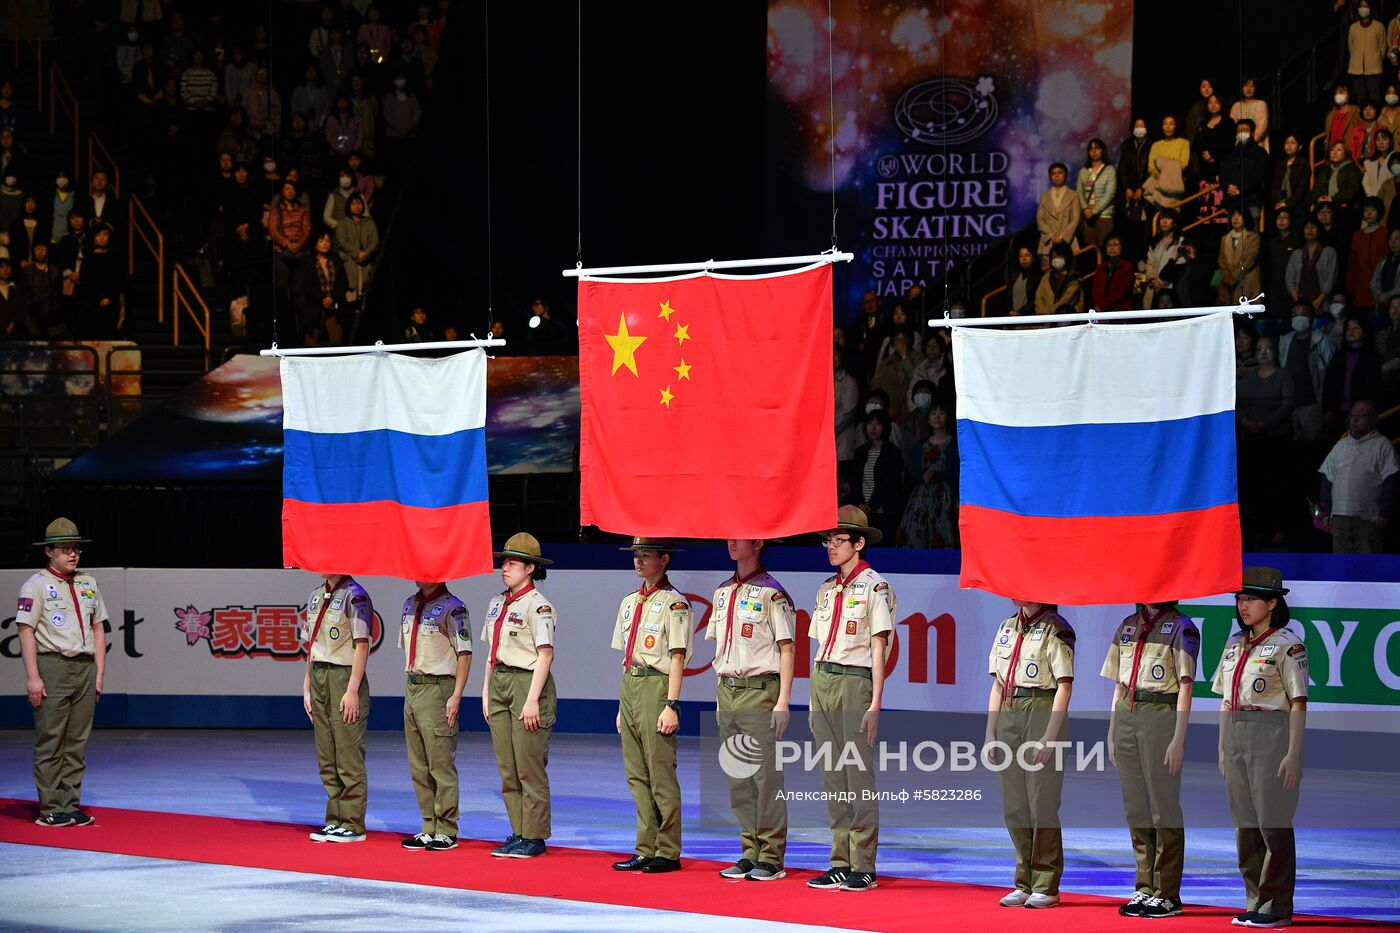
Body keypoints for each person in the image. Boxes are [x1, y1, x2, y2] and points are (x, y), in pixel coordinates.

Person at [1213, 568, 1308, 929]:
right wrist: (1222, 748)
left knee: (1273, 823)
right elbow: (1225, 701)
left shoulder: (1288, 644)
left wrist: (1293, 754)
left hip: (1271, 735)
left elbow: (1298, 703)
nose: (1243, 606)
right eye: (1239, 599)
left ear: (1272, 603)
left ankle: (1277, 905)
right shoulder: (1234, 643)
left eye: (1251, 599)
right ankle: (1255, 900)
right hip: (1237, 733)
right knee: (1245, 826)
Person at [806, 506, 894, 893]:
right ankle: (839, 860)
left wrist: (875, 704)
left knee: (857, 775)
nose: (831, 546)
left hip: (855, 681)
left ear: (859, 543)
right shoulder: (826, 588)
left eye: (839, 540)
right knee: (832, 775)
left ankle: (864, 864)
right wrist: (811, 700)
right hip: (823, 679)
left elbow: (879, 648)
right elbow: (817, 647)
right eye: (829, 540)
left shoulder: (876, 587)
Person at [1101, 601, 1199, 919]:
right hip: (1128, 711)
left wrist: (1178, 738)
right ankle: (1144, 886)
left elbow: (1186, 686)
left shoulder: (1182, 627)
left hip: (1160, 713)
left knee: (1162, 806)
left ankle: (1167, 892)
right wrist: (1112, 731)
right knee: (1136, 807)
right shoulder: (1128, 624)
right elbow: (1118, 684)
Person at [707, 538, 795, 882]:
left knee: (765, 777)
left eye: (739, 535)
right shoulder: (722, 592)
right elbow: (722, 651)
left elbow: (787, 649)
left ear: (758, 543)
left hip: (760, 691)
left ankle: (771, 855)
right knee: (738, 779)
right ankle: (749, 850)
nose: (731, 541)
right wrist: (718, 700)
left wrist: (783, 701)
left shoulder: (772, 594)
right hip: (727, 690)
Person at [16, 518, 108, 828]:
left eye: (76, 548)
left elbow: (98, 628)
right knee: (51, 739)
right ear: (49, 551)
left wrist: (98, 673)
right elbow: (26, 631)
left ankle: (70, 805)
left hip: (84, 666)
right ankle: (50, 807)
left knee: (77, 741)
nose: (73, 554)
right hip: (53, 665)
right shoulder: (36, 585)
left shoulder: (88, 583)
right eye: (65, 549)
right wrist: (33, 676)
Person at [985, 598, 1075, 910]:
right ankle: (1023, 881)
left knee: (1042, 805)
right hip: (1009, 711)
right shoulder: (1007, 625)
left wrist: (1050, 736)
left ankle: (1046, 884)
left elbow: (1064, 685)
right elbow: (998, 683)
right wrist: (989, 733)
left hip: (1040, 709)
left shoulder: (1057, 628)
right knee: (1014, 805)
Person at [610, 538, 692, 874]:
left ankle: (668, 850)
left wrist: (672, 703)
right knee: (636, 774)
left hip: (656, 686)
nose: (639, 561)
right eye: (636, 556)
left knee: (660, 774)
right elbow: (625, 657)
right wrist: (621, 704)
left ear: (664, 559)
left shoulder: (675, 603)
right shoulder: (629, 602)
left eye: (646, 555)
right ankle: (645, 846)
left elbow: (677, 657)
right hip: (631, 684)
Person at [482, 533, 558, 859]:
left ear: (529, 568)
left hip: (527, 684)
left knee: (529, 766)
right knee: (507, 766)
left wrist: (531, 699)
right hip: (500, 682)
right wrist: (485, 691)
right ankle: (517, 831)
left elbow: (545, 654)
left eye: (512, 562)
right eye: (503, 561)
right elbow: (491, 652)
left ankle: (535, 836)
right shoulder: (497, 602)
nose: (505, 567)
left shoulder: (538, 606)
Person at [398, 580, 471, 852]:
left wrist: (456, 695)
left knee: (440, 763)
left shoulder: (453, 608)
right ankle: (428, 825)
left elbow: (464, 654)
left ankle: (447, 828)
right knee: (418, 764)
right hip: (413, 687)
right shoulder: (409, 604)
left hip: (438, 688)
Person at [300, 573, 373, 843]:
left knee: (347, 752)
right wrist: (306, 684)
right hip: (319, 674)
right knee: (326, 753)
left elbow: (362, 644)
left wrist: (352, 689)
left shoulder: (355, 595)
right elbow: (311, 645)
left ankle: (353, 823)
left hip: (343, 675)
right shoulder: (316, 595)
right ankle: (334, 819)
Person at [1236, 337, 1297, 546]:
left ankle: (1280, 529)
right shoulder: (1250, 378)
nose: (1264, 352)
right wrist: (1245, 421)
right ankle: (1260, 528)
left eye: (1268, 348)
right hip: (1253, 440)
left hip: (1277, 439)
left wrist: (1264, 423)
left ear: (1276, 352)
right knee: (1256, 486)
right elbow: (1237, 404)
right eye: (1260, 349)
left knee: (1278, 485)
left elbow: (1287, 405)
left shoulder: (1284, 375)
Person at [1319, 399, 1398, 552]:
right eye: (1352, 415)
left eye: (1361, 415)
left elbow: (1391, 482)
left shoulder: (1383, 445)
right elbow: (1327, 479)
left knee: (1367, 568)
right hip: (1340, 518)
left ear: (1374, 419)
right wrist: (1325, 512)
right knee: (1342, 568)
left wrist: (1384, 514)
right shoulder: (1340, 446)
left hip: (1368, 519)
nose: (1354, 420)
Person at [896, 401, 958, 547]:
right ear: (928, 419)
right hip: (922, 494)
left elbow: (956, 473)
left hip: (945, 495)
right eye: (933, 413)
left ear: (948, 417)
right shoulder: (920, 444)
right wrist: (922, 476)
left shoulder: (954, 443)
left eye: (941, 413)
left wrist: (937, 475)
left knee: (943, 533)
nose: (937, 417)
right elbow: (913, 470)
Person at [845, 409, 906, 545]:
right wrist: (860, 504)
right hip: (861, 511)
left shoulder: (892, 452)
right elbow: (855, 481)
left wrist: (870, 505)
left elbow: (890, 484)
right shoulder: (860, 452)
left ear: (885, 427)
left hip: (884, 511)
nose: (873, 428)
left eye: (878, 424)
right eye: (870, 423)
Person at [1322, 316, 1384, 430]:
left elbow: (1372, 388)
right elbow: (1328, 383)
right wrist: (1327, 409)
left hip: (1361, 414)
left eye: (1356, 328)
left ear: (1365, 333)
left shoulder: (1373, 357)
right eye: (1348, 328)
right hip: (1335, 412)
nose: (1351, 331)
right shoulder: (1338, 355)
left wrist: (1356, 413)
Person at [1221, 118, 1270, 222]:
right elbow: (1223, 175)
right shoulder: (1231, 155)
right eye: (1239, 131)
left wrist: (1240, 189)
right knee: (1233, 237)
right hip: (1233, 204)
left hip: (1251, 202)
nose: (1241, 133)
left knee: (1251, 237)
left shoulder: (1260, 154)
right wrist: (1228, 188)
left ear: (1252, 133)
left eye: (1245, 130)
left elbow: (1260, 177)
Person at [334, 192, 378, 305]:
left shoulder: (370, 222)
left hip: (366, 263)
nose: (356, 206)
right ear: (348, 206)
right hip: (349, 263)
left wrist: (365, 254)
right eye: (353, 204)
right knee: (350, 300)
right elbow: (341, 241)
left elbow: (375, 242)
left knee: (365, 299)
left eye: (359, 203)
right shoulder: (343, 222)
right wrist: (357, 253)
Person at [1285, 219, 1338, 313]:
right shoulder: (1296, 253)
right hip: (1299, 303)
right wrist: (1297, 301)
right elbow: (1289, 277)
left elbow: (1331, 279)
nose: (1310, 230)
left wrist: (1318, 301)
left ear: (1319, 230)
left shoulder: (1329, 252)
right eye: (1307, 227)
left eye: (1313, 227)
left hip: (1322, 303)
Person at [1348, 198, 1390, 311]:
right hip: (1361, 289)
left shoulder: (1386, 233)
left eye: (1373, 210)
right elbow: (1352, 264)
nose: (1369, 213)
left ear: (1379, 212)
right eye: (1366, 210)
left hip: (1382, 288)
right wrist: (1349, 289)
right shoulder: (1356, 236)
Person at [1077, 139, 1116, 252]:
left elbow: (1110, 193)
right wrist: (1085, 209)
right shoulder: (1083, 171)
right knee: (1089, 251)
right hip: (1088, 217)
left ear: (1103, 151)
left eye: (1097, 148)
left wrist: (1094, 211)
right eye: (1091, 149)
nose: (1094, 151)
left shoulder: (1109, 170)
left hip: (1104, 216)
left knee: (1104, 249)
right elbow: (1079, 192)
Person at [1036, 162, 1079, 262]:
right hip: (1048, 244)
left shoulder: (1073, 195)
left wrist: (1062, 237)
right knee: (1048, 275)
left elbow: (1075, 219)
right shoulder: (1044, 196)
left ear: (1065, 175)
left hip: (1068, 243)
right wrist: (1051, 236)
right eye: (1053, 173)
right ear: (1050, 177)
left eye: (1060, 173)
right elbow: (1040, 219)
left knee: (1069, 274)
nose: (1057, 176)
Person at [1219, 210, 1263, 305]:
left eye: (1239, 215)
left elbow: (1249, 261)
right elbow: (1221, 260)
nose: (1235, 218)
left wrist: (1233, 279)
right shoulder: (1224, 238)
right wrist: (1227, 278)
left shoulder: (1253, 237)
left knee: (1244, 312)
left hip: (1247, 280)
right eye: (1233, 215)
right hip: (1227, 284)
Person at [1141, 210, 1183, 309]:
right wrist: (1152, 279)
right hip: (1153, 287)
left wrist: (1162, 281)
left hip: (1171, 289)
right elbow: (1149, 263)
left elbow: (1179, 264)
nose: (1164, 221)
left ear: (1175, 222)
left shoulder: (1181, 242)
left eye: (1168, 218)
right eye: (1162, 218)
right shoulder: (1155, 242)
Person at [1264, 209, 1300, 318]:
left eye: (1285, 218)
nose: (1281, 220)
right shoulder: (1272, 242)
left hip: (1293, 289)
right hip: (1275, 289)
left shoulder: (1297, 240)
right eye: (1279, 218)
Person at [1350, 4, 1387, 106]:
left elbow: (1383, 47)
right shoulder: (1353, 28)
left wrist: (1377, 60)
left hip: (1374, 69)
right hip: (1356, 69)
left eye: (1365, 6)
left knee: (1375, 98)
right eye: (1361, 6)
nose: (1363, 8)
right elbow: (1351, 47)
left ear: (1370, 8)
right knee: (1360, 100)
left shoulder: (1379, 26)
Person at [1091, 233, 1136, 312]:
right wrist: (1098, 307)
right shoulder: (1100, 268)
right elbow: (1096, 291)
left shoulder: (1128, 267)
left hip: (1120, 312)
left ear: (1121, 247)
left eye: (1115, 244)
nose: (1112, 248)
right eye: (1109, 245)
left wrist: (1102, 307)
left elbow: (1121, 293)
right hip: (1100, 312)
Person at [1269, 133, 1310, 218]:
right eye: (1287, 142)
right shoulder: (1279, 164)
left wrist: (1287, 203)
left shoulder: (1303, 163)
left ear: (1300, 146)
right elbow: (1274, 186)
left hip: (1296, 203)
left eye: (1293, 143)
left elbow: (1301, 188)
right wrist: (1276, 203)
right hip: (1280, 202)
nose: (1289, 145)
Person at [1036, 242, 1083, 314]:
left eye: (1060, 256)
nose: (1056, 259)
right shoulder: (1046, 277)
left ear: (1067, 258)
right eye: (1054, 257)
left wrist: (1051, 315)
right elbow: (1039, 297)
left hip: (1066, 318)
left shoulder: (1074, 278)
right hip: (1045, 319)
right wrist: (1043, 314)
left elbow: (1067, 300)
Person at [833, 344, 860, 464]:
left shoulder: (849, 382)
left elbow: (847, 413)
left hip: (842, 439)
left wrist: (828, 432)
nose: (832, 357)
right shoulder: (819, 380)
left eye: (836, 354)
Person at [1230, 76, 1270, 152]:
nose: (1248, 89)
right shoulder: (1236, 106)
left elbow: (1261, 129)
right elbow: (1231, 127)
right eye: (1245, 86)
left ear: (1255, 88)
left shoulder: (1261, 104)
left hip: (1257, 146)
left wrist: (1248, 144)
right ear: (1242, 88)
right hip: (1238, 146)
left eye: (1252, 86)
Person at [1325, 83, 1362, 153]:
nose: (1338, 95)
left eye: (1341, 92)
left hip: (1349, 156)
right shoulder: (1331, 115)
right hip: (1333, 156)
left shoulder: (1357, 112)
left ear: (1349, 94)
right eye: (1336, 92)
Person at [1008, 244, 1042, 316]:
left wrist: (1021, 313)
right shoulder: (1014, 276)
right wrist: (1010, 310)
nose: (1024, 258)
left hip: (1029, 315)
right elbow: (1008, 297)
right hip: (1013, 315)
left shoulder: (1039, 275)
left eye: (1027, 255)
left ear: (1033, 258)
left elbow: (1036, 299)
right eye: (1021, 256)